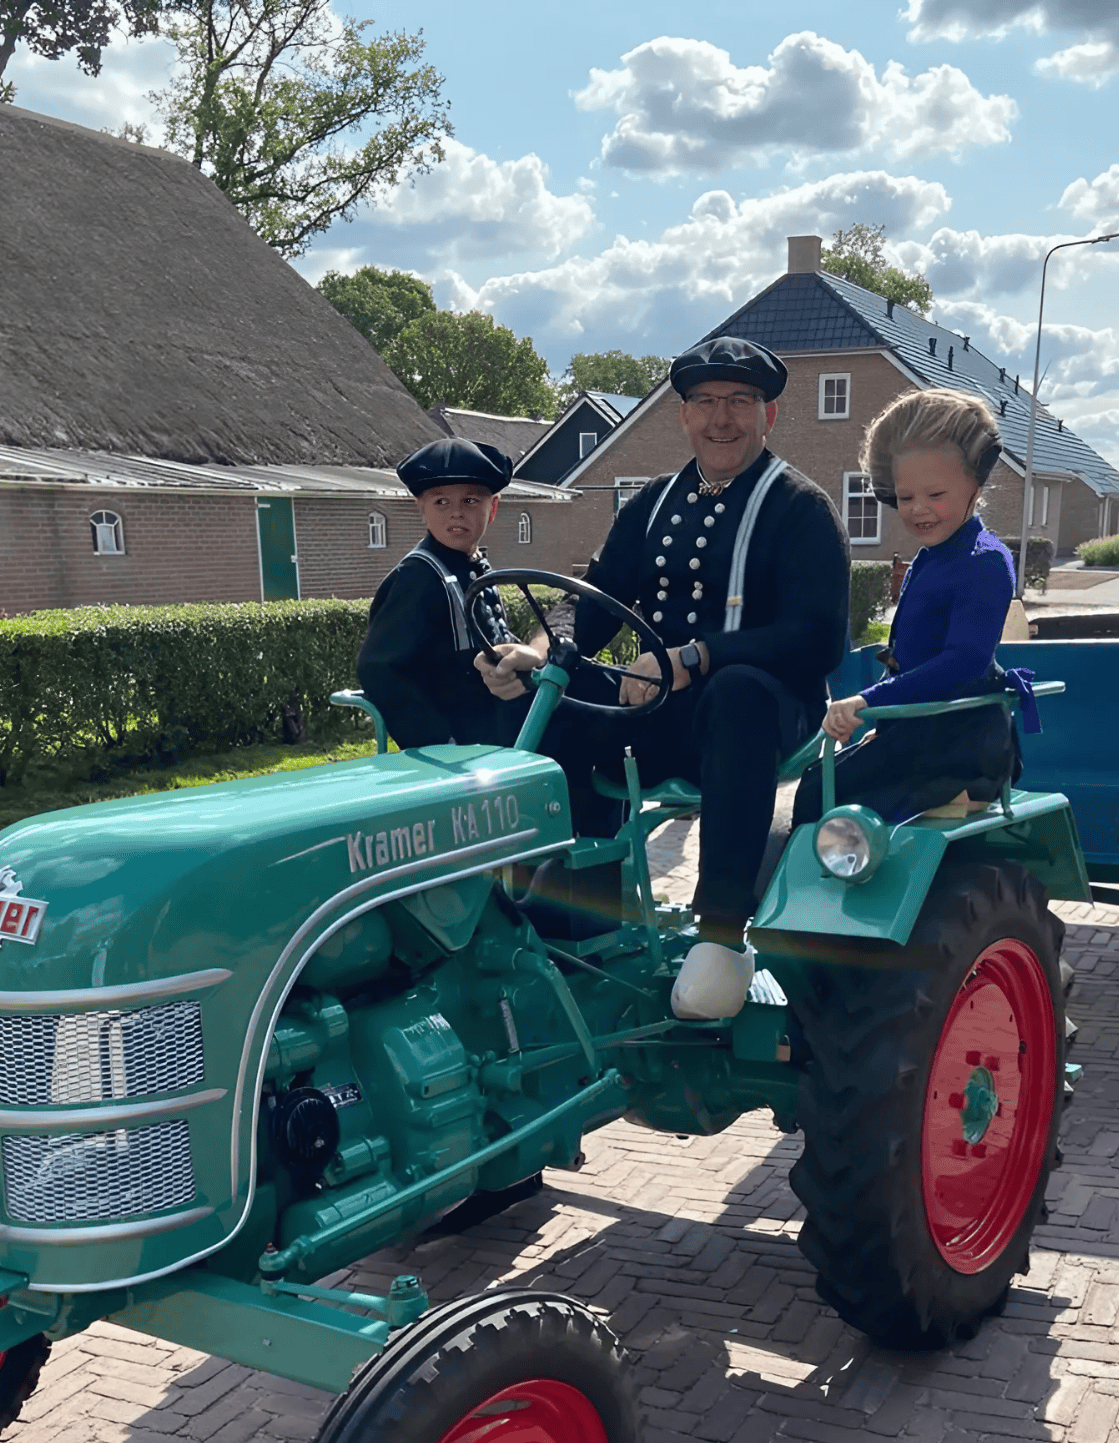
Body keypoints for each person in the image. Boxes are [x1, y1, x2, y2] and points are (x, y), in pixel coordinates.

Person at [479, 335, 850, 1020]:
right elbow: (589, 600)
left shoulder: (801, 507)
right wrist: (538, 651)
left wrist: (696, 658)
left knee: (736, 694)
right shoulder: (649, 505)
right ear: (682, 415)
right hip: (663, 711)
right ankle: (564, 911)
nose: (721, 418)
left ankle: (720, 932)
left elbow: (819, 637)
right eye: (705, 402)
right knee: (552, 694)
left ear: (769, 415)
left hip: (767, 707)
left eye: (740, 401)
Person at [798, 389, 1019, 827]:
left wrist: (868, 700)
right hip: (920, 734)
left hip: (963, 747)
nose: (919, 510)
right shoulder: (926, 559)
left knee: (828, 799)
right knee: (815, 785)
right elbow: (905, 657)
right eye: (904, 497)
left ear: (975, 484)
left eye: (936, 494)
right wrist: (874, 712)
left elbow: (965, 662)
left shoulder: (986, 560)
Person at [357, 438, 520, 748]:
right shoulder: (418, 577)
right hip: (461, 743)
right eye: (441, 502)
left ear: (493, 507)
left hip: (501, 727)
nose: (456, 513)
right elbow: (379, 667)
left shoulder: (476, 567)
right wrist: (437, 742)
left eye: (470, 501)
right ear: (421, 508)